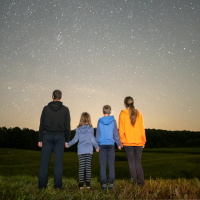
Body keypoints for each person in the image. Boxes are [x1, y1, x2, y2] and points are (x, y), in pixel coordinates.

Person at [38, 90, 71, 189]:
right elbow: (67, 126)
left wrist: (40, 139)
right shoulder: (65, 110)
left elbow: (41, 125)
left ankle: (42, 187)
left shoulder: (45, 108)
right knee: (58, 163)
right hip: (60, 137)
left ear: (52, 96)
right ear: (61, 97)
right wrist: (67, 140)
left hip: (47, 136)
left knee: (44, 162)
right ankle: (58, 187)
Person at [65, 112, 99, 190]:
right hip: (89, 151)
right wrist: (97, 147)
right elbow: (93, 139)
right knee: (88, 168)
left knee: (81, 168)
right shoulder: (90, 129)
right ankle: (88, 186)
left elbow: (75, 139)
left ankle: (81, 186)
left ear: (81, 119)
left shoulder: (78, 129)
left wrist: (68, 144)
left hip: (81, 151)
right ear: (89, 119)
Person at [119, 96, 146, 186]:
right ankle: (142, 183)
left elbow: (121, 130)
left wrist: (122, 141)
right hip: (138, 142)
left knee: (131, 162)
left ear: (125, 104)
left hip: (127, 142)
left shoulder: (123, 114)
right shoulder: (139, 114)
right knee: (138, 162)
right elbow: (142, 129)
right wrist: (143, 141)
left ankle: (134, 183)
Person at [96, 105, 122, 190]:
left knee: (103, 165)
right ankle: (111, 184)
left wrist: (97, 145)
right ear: (110, 111)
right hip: (111, 145)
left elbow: (98, 134)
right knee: (111, 165)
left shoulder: (99, 121)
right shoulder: (113, 121)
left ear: (102, 112)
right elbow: (115, 134)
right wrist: (119, 144)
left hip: (102, 145)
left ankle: (103, 184)